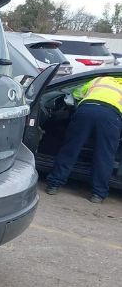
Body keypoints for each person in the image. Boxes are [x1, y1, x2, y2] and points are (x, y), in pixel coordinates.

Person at [45, 75, 122, 203]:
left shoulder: (99, 79)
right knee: (105, 155)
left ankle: (54, 184)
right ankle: (98, 194)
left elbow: (75, 94)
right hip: (111, 116)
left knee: (71, 148)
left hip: (87, 109)